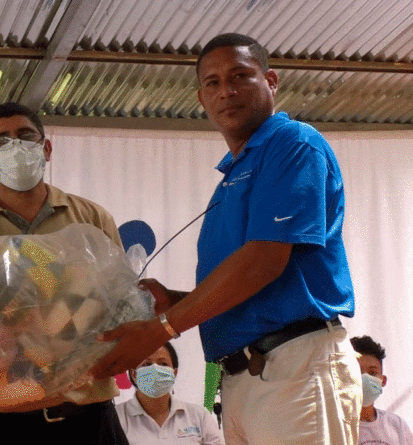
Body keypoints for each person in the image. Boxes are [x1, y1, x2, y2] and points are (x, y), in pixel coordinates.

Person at [90, 32, 362, 444]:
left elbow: (264, 261)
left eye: (240, 76)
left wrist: (161, 329)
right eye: (212, 83)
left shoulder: (293, 143)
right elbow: (249, 288)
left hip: (295, 367)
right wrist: (176, 301)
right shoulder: (230, 178)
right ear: (201, 98)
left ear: (271, 80)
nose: (227, 91)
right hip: (243, 378)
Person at [0, 102, 129, 445]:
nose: (16, 147)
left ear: (46, 148)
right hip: (4, 419)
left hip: (88, 416)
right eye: (1, 141)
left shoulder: (91, 219)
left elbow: (122, 301)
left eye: (26, 137)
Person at [116, 342, 224, 444]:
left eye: (163, 364)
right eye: (146, 364)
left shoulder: (198, 416)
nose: (155, 369)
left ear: (174, 373)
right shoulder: (115, 417)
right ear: (133, 374)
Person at [350, 335, 413, 445]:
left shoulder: (398, 426)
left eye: (373, 373)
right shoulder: (332, 426)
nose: (364, 378)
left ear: (383, 381)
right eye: (357, 371)